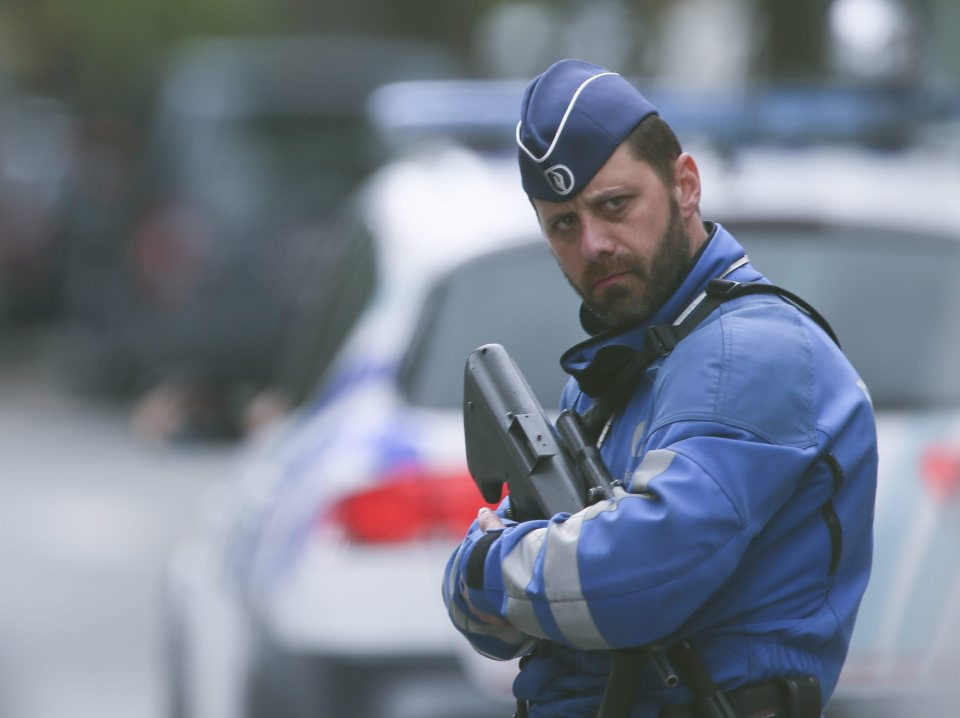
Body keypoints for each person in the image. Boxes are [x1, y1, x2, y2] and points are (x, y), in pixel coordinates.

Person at [442, 59, 878, 718]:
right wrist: (494, 575)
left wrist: (482, 567)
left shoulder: (744, 350)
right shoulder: (623, 367)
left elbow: (634, 579)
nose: (593, 244)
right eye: (563, 224)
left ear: (685, 185)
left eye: (614, 205)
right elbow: (498, 618)